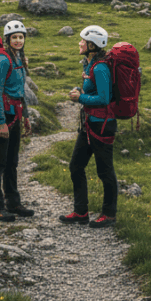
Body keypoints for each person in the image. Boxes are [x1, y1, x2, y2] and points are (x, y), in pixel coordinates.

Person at [60, 25, 117, 228]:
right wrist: (80, 90)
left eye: (83, 40)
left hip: (102, 126)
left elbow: (103, 98)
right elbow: (91, 88)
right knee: (76, 166)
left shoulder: (100, 67)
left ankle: (109, 214)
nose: (79, 43)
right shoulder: (89, 64)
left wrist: (80, 97)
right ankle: (80, 212)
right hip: (88, 125)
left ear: (92, 45)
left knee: (105, 171)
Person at [0, 20, 34, 222]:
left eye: (20, 37)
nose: (18, 40)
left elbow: (20, 91)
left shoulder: (19, 59)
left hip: (15, 112)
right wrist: (1, 122)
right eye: (14, 37)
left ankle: (13, 202)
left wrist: (26, 116)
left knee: (12, 161)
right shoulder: (3, 60)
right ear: (7, 39)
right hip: (1, 115)